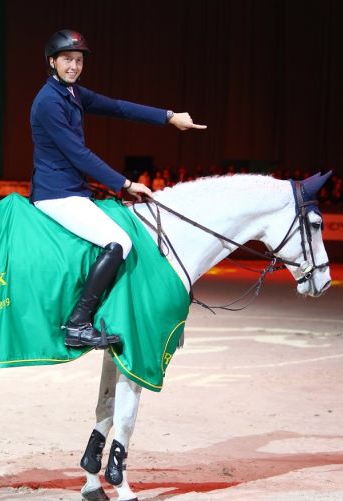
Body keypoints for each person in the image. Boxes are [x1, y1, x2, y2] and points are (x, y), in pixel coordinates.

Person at [30, 29, 206, 348]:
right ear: (52, 61)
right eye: (67, 60)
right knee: (118, 241)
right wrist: (125, 183)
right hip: (56, 195)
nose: (74, 66)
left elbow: (119, 107)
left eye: (79, 60)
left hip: (74, 190)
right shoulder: (48, 102)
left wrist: (168, 117)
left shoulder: (73, 94)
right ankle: (78, 324)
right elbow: (78, 154)